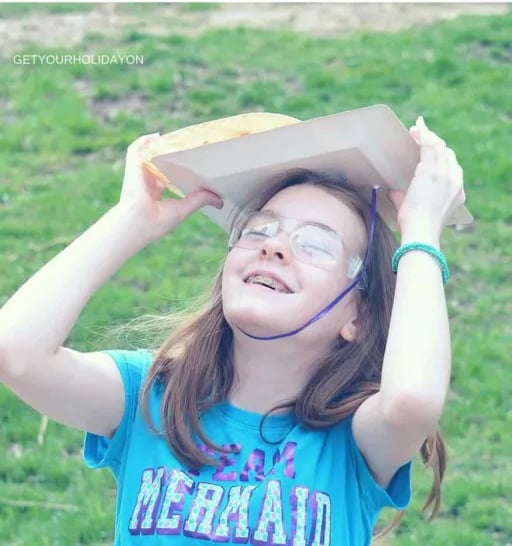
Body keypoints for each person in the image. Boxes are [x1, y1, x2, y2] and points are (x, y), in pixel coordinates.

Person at [0, 115, 465, 545]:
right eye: (259, 230)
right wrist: (131, 222)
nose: (275, 247)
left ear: (356, 319)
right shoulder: (148, 397)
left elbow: (411, 401)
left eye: (316, 244)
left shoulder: (353, 438)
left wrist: (421, 232)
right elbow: (16, 352)